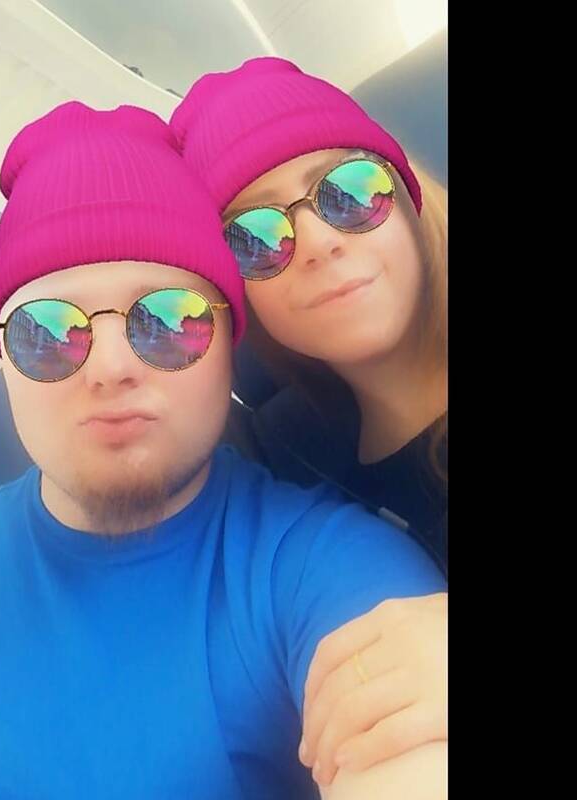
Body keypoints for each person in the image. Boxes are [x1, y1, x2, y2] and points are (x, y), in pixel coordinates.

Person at [0, 100, 445, 799]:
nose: (111, 368)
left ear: (230, 351)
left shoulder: (328, 568)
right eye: (47, 331)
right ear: (4, 360)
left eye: (170, 320)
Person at [171, 57, 448, 784]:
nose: (321, 240)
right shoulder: (292, 469)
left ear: (406, 196)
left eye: (348, 190)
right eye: (255, 237)